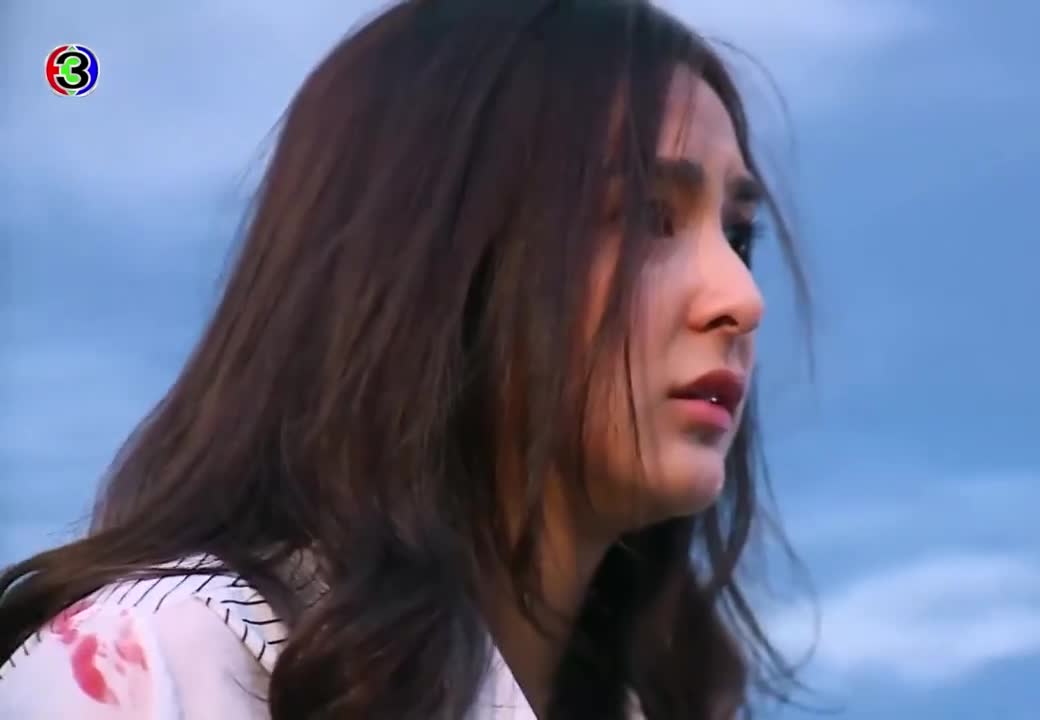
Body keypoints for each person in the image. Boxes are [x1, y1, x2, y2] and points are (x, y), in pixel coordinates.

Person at [0, 0, 811, 717]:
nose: (740, 298)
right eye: (645, 217)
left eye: (738, 236)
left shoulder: (660, 699)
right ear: (431, 258)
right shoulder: (159, 671)